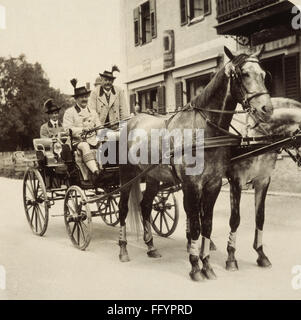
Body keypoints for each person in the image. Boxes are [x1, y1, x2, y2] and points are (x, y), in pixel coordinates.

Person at [63, 79, 102, 183]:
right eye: (81, 97)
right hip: (76, 142)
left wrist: (102, 134)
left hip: (93, 140)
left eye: (85, 97)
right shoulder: (69, 112)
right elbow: (67, 129)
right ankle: (95, 172)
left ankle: (107, 171)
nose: (84, 99)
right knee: (84, 145)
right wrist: (82, 129)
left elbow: (99, 126)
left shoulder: (93, 112)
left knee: (107, 143)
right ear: (76, 99)